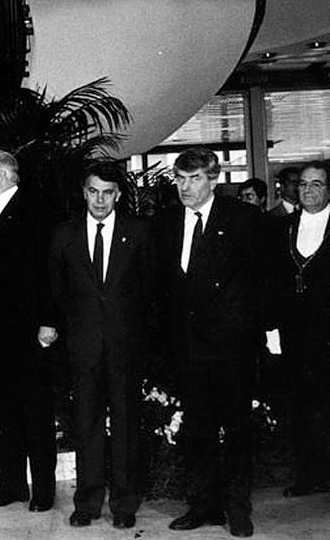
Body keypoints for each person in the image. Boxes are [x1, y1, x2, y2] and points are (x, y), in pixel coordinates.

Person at [155, 148, 263, 538]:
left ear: (213, 180)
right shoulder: (165, 222)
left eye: (194, 178)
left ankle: (238, 509)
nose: (185, 187)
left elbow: (259, 283)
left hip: (230, 347)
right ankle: (203, 506)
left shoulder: (244, 219)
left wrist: (254, 334)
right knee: (196, 431)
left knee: (236, 429)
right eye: (180, 179)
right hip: (187, 347)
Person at [48, 162, 151, 529]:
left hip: (126, 348)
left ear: (119, 195)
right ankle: (88, 502)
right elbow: (55, 290)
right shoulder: (64, 235)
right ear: (84, 192)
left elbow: (150, 292)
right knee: (87, 424)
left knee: (125, 425)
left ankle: (125, 504)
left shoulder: (138, 233)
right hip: (83, 347)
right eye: (93, 191)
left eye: (108, 193)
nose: (100, 200)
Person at [0, 150, 58, 512]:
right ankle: (11, 485)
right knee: (1, 413)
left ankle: (43, 490)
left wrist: (48, 320)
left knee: (35, 412)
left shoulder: (35, 210)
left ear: (4, 175)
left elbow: (48, 270)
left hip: (28, 332)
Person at [271, 161, 330, 498]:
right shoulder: (283, 227)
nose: (308, 190)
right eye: (304, 184)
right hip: (296, 334)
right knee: (301, 406)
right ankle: (308, 475)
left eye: (317, 184)